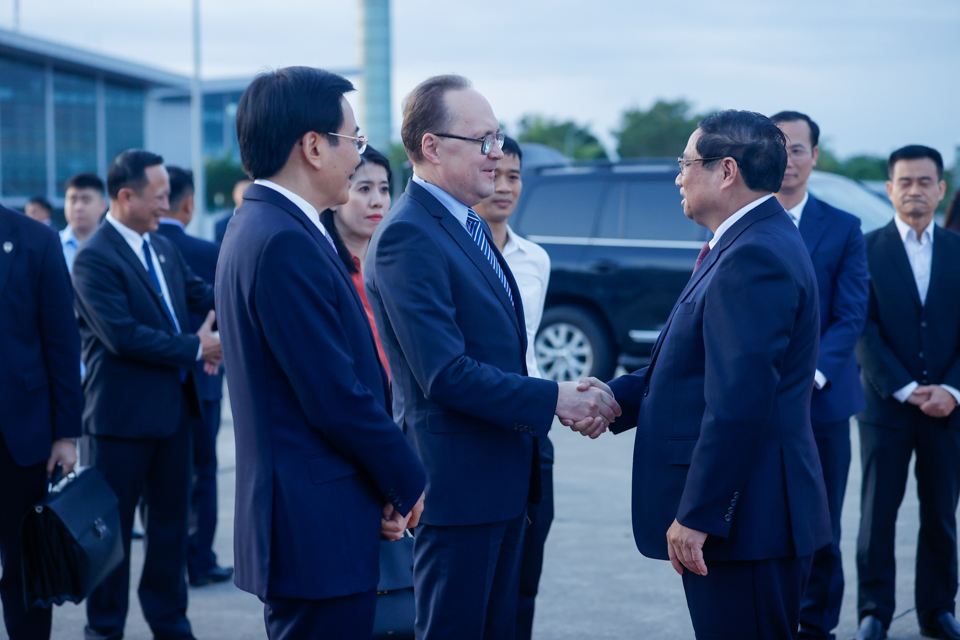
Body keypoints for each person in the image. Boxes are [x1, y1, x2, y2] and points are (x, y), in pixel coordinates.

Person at [364, 74, 619, 640]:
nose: (497, 154)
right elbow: (445, 374)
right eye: (482, 141)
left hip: (500, 477)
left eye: (499, 139)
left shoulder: (467, 224)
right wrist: (554, 397)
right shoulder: (410, 235)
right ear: (431, 147)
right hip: (457, 487)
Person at [582, 110, 831, 639]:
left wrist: (699, 515)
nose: (678, 176)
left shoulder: (755, 255)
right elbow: (693, 364)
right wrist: (612, 398)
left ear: (725, 171)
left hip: (749, 524)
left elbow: (739, 403)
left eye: (686, 162)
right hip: (749, 521)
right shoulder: (749, 241)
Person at [215, 66, 427, 640]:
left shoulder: (271, 224)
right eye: (353, 141)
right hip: (313, 525)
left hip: (318, 515)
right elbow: (335, 395)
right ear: (313, 145)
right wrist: (408, 481)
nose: (359, 157)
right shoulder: (283, 239)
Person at [72, 149, 222, 640]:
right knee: (110, 538)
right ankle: (105, 629)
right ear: (125, 196)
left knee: (170, 532)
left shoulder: (162, 248)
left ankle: (169, 623)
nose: (168, 203)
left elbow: (204, 295)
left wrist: (245, 297)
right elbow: (123, 335)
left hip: (173, 416)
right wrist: (196, 347)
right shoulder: (95, 258)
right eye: (158, 196)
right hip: (118, 424)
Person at [770, 111, 870, 640]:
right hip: (760, 402)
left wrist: (812, 374)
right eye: (778, 148)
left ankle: (817, 626)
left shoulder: (844, 228)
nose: (788, 160)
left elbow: (851, 314)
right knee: (767, 520)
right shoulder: (741, 222)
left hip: (823, 402)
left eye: (799, 149)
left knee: (822, 524)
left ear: (815, 157)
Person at [854, 145, 960, 640]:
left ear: (941, 189)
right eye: (905, 182)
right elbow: (862, 327)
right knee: (878, 513)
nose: (915, 190)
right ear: (890, 189)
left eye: (925, 181)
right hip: (884, 408)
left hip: (949, 409)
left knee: (940, 514)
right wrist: (904, 388)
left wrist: (952, 389)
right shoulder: (865, 249)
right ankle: (874, 611)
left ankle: (938, 610)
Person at [473, 135, 553, 640]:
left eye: (515, 176)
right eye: (496, 174)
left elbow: (527, 350)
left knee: (524, 574)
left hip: (530, 424)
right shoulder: (454, 252)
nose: (504, 187)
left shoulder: (536, 259)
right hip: (477, 423)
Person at [0, 204, 82, 640]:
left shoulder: (35, 239)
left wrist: (65, 434)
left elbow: (62, 341)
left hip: (20, 433)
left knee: (21, 563)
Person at [154, 166, 233, 588]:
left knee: (162, 479)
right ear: (189, 203)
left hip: (156, 383)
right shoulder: (207, 251)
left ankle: (167, 560)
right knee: (204, 471)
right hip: (203, 375)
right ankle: (200, 560)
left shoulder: (144, 247)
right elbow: (226, 302)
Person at [319, 145, 392, 376]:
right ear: (334, 195)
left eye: (384, 189)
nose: (377, 201)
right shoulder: (324, 269)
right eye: (364, 189)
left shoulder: (394, 268)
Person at [61, 173, 107, 272]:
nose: (78, 207)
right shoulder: (53, 245)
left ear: (102, 205)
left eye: (86, 201)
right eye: (73, 201)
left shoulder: (113, 247)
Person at [214, 179, 251, 243]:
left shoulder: (261, 222)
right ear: (234, 194)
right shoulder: (221, 225)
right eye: (244, 192)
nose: (248, 196)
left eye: (251, 192)